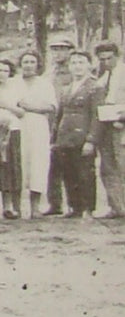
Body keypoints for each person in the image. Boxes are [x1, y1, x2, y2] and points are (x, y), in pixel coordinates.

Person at [52, 50, 101, 219]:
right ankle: (74, 207)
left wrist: (91, 140)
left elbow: (96, 115)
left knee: (85, 173)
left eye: (81, 62)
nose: (77, 66)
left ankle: (88, 208)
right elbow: (60, 115)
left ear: (89, 65)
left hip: (82, 136)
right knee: (69, 172)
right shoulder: (67, 88)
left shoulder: (95, 87)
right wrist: (55, 138)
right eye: (73, 63)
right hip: (65, 137)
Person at [13, 51, 58, 219]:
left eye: (32, 62)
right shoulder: (13, 82)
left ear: (38, 65)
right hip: (17, 124)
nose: (28, 65)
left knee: (38, 164)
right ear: (20, 64)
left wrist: (30, 107)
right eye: (25, 62)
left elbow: (51, 107)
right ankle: (16, 207)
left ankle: (35, 207)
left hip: (38, 126)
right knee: (18, 163)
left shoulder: (45, 84)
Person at [0, 58, 23, 219]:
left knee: (9, 168)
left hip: (11, 130)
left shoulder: (15, 89)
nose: (2, 74)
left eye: (6, 71)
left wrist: (5, 105)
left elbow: (21, 112)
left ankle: (7, 206)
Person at [92, 42, 125, 219]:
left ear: (117, 56)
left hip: (121, 126)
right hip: (106, 126)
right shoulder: (103, 76)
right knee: (108, 167)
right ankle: (117, 207)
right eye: (102, 59)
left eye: (109, 58)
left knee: (122, 165)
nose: (106, 62)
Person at [44, 36, 74, 215]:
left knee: (69, 163)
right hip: (51, 120)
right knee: (51, 163)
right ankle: (54, 203)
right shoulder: (49, 72)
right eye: (55, 49)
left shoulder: (73, 71)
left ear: (70, 51)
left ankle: (73, 204)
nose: (58, 53)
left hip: (67, 120)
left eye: (62, 49)